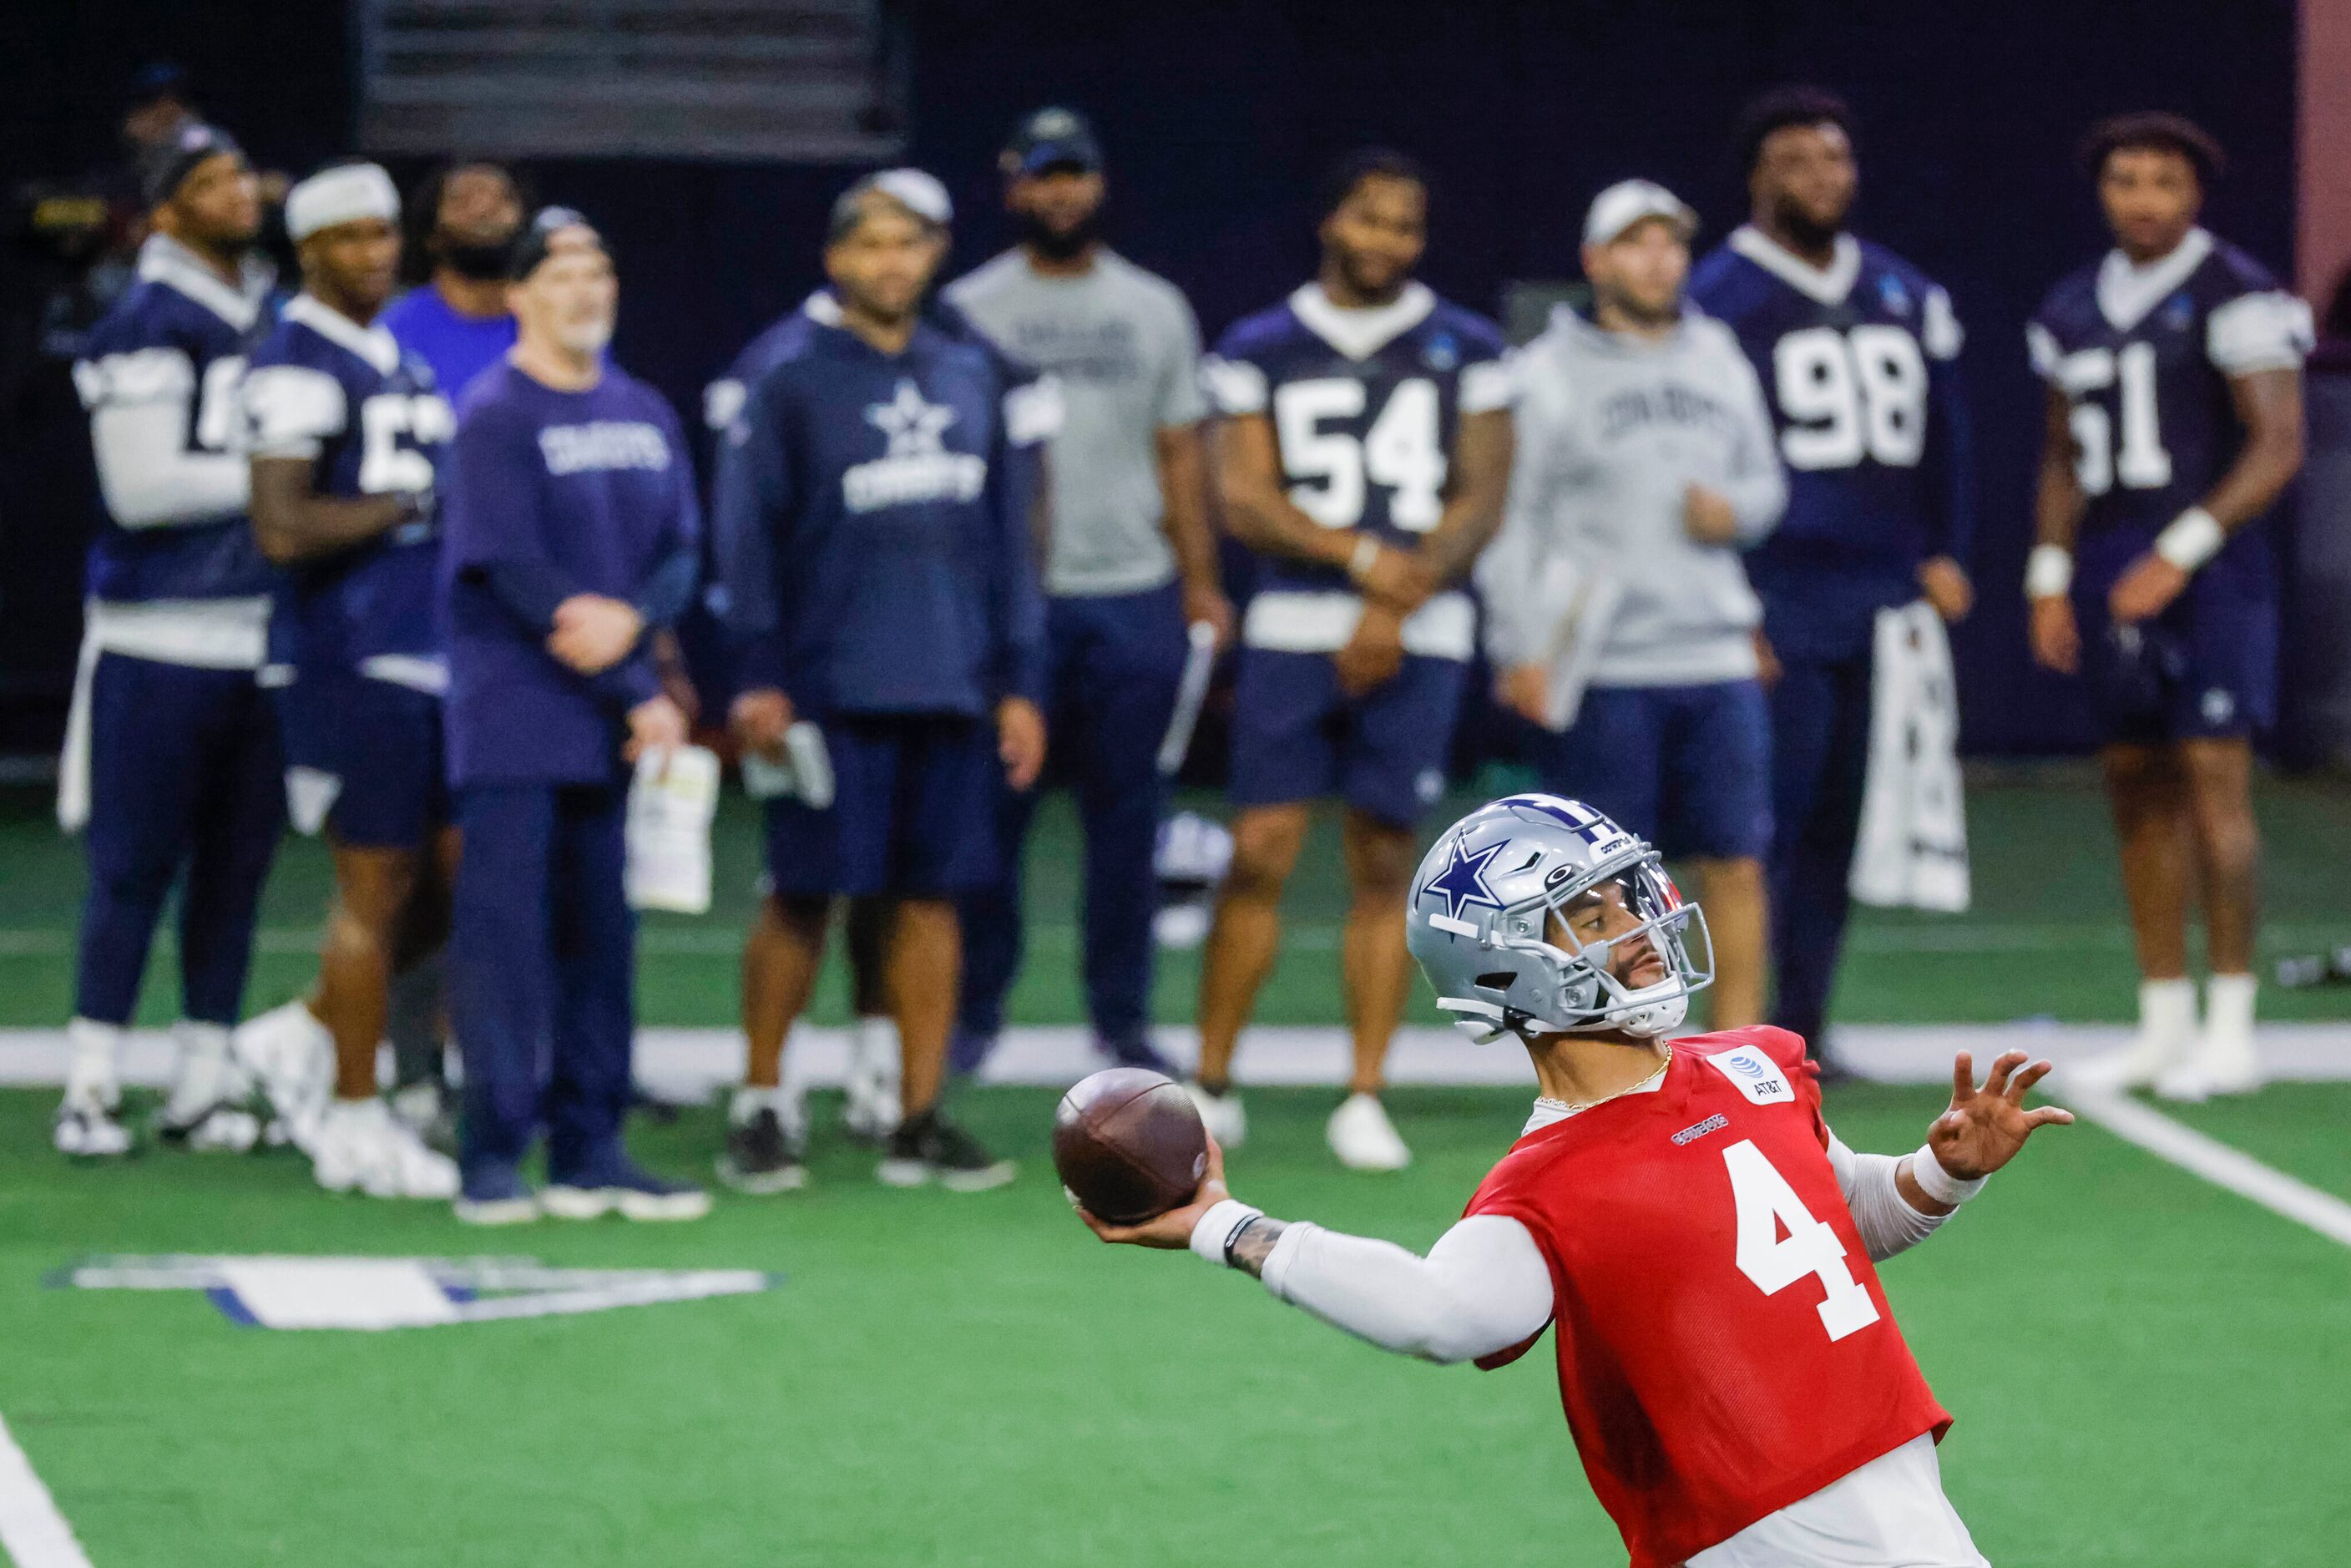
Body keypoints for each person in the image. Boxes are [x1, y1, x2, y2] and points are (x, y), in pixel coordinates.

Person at [1079, 792, 2074, 1568]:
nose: (1637, 928)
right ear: (1500, 971)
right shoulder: (1546, 1186)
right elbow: (1442, 1315)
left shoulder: (1750, 1062)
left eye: (1628, 898)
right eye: (1583, 916)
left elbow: (1837, 1216)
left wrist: (1939, 1177)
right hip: (1771, 1534)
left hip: (1890, 1503)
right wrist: (1225, 1226)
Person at [705, 169, 1054, 1153]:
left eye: (906, 243)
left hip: (950, 679)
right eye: (869, 244)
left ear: (933, 256)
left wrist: (1020, 682)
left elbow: (1007, 545)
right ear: (834, 259)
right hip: (826, 683)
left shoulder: (968, 371)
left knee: (933, 898)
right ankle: (763, 1102)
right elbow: (746, 538)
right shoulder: (788, 373)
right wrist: (759, 671)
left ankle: (914, 1110)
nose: (888, 262)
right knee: (803, 894)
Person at [1189, 149, 1512, 1171]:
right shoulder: (1259, 344)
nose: (1385, 241)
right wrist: (1371, 563)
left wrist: (1400, 590)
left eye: (1405, 225)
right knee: (1261, 849)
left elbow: (1482, 494)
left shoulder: (1469, 344)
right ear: (1330, 221)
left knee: (1386, 856)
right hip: (1295, 625)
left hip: (1423, 631)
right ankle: (1211, 1081)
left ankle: (1364, 1089)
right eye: (1368, 219)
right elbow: (1241, 499)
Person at [1688, 88, 1974, 1070]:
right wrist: (1729, 598)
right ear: (1758, 178)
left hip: (1881, 592)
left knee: (1840, 823)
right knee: (1762, 822)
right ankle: (1743, 1026)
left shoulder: (1902, 289)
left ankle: (1804, 1026)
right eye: (1797, 163)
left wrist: (1944, 543)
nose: (1821, 179)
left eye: (1834, 160)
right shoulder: (1715, 296)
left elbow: (1948, 433)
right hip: (1776, 589)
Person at [2026, 114, 2309, 1099]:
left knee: (2213, 780)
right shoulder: (2068, 304)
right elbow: (2059, 453)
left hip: (2210, 563)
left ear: (2194, 193)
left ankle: (2231, 1024)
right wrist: (2049, 576)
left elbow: (2276, 441)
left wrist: (2179, 550)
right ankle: (2160, 1019)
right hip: (2108, 556)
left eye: (2161, 180)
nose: (2142, 197)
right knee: (2133, 782)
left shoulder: (2235, 288)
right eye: (2123, 179)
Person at [943, 106, 1229, 1079]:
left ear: (1097, 186)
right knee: (989, 821)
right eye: (1042, 175)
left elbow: (1179, 450)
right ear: (1011, 183)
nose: (1059, 192)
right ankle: (972, 1012)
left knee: (1128, 824)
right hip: (1011, 607)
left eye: (1075, 174)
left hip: (1132, 594)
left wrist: (1199, 582)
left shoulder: (1153, 307)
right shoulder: (971, 308)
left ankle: (1122, 1020)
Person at [438, 207, 705, 1223]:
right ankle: (494, 1153)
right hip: (517, 716)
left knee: (604, 936)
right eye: (559, 274)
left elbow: (681, 548)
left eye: (597, 271)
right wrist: (632, 680)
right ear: (518, 295)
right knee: (506, 943)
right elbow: (510, 566)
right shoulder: (495, 413)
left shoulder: (643, 409)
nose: (584, 290)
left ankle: (591, 1145)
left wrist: (634, 623)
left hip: (612, 724)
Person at [1482, 180, 1784, 1031]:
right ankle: (1621, 1043)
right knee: (1600, 879)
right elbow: (1514, 524)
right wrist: (1517, 648)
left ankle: (1740, 1051)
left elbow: (1766, 485)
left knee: (1735, 859)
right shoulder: (1544, 372)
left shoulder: (1718, 354)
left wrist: (1738, 513)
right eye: (1634, 244)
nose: (1656, 261)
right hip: (1602, 664)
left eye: (1668, 244)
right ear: (1594, 260)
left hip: (1714, 651)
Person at [56, 123, 284, 1158]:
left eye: (240, 172)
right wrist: (289, 483)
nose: (238, 191)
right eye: (209, 180)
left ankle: (203, 1077)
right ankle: (92, 1082)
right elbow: (139, 490)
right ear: (163, 209)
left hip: (263, 636)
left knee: (236, 877)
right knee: (134, 869)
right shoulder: (145, 319)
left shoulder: (274, 314)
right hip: (160, 638)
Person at [233, 162, 458, 1199]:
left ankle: (303, 1032)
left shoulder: (390, 351)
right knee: (373, 885)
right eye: (350, 239)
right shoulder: (292, 360)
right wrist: (408, 504)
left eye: (383, 235)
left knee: (445, 879)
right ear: (308, 251)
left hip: (426, 652)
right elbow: (282, 527)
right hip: (346, 655)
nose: (374, 254)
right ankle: (356, 1114)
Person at [381, 163, 523, 403]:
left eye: (500, 199)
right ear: (431, 235)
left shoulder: (562, 323)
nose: (483, 210)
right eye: (463, 201)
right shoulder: (391, 331)